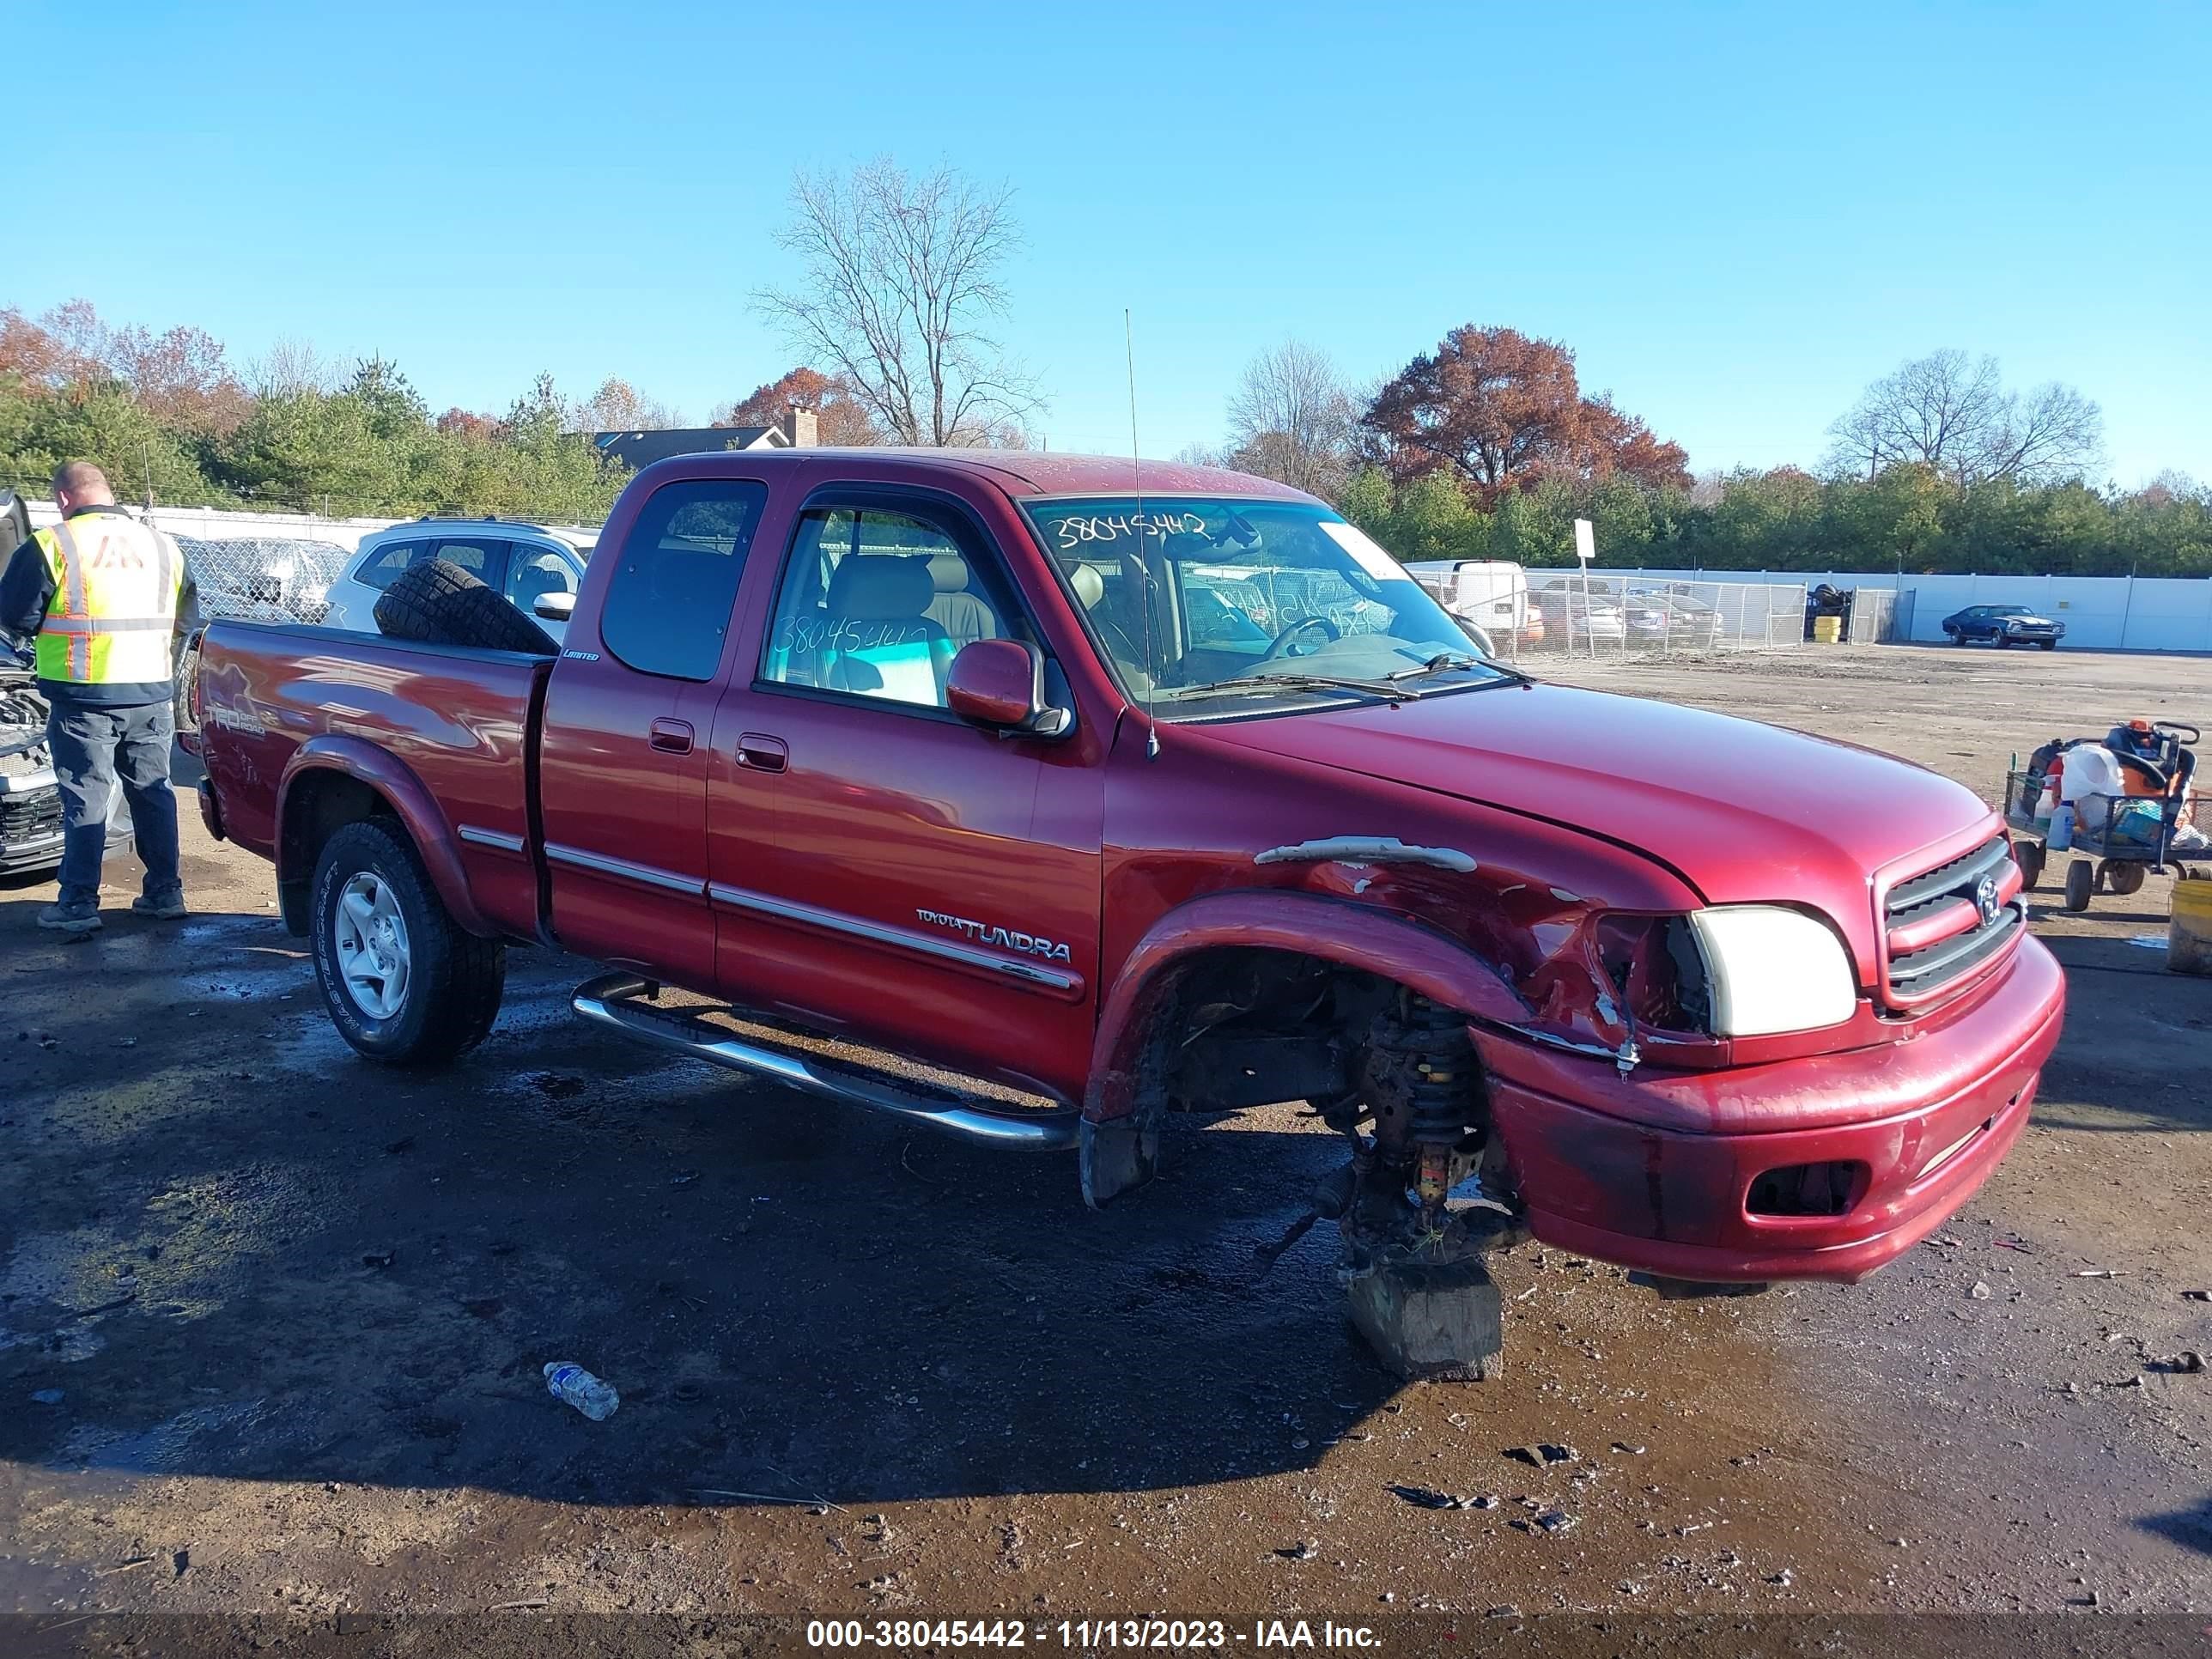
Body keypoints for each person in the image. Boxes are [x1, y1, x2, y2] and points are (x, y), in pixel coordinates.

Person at [0, 461, 198, 933]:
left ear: (64, 499)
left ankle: (78, 904)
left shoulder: (54, 543)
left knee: (85, 794)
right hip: (150, 693)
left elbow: (15, 618)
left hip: (82, 697)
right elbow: (185, 623)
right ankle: (165, 893)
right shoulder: (163, 545)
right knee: (153, 792)